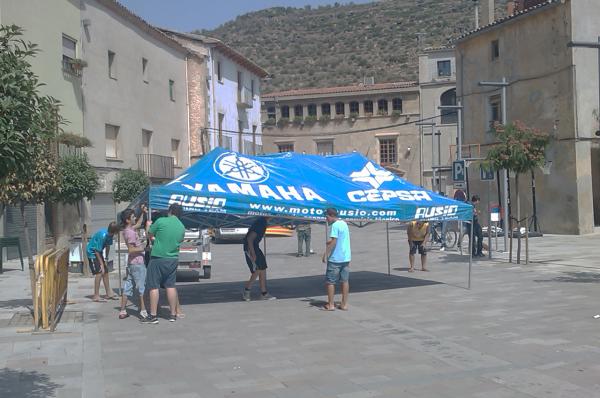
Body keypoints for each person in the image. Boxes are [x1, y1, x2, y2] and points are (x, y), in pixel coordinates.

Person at [141, 203, 185, 324]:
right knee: (170, 286)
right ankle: (172, 314)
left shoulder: (161, 221)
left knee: (153, 286)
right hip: (173, 259)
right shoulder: (181, 226)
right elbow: (180, 240)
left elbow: (149, 235)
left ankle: (153, 315)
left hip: (158, 257)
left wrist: (148, 226)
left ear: (170, 211)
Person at [118, 209, 148, 319]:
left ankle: (122, 310)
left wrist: (143, 212)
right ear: (127, 220)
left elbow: (139, 223)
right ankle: (143, 311)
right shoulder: (130, 233)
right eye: (132, 217)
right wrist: (143, 248)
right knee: (141, 288)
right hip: (137, 263)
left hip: (132, 263)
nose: (135, 218)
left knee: (128, 287)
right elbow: (131, 249)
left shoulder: (128, 230)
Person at [322, 208, 351, 311]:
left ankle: (331, 304)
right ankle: (344, 304)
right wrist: (330, 242)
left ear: (330, 216)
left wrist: (326, 254)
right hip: (345, 257)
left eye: (327, 217)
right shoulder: (344, 224)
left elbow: (334, 241)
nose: (326, 220)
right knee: (345, 280)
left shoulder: (334, 226)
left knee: (330, 282)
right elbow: (340, 239)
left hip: (335, 258)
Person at [242, 217, 276, 301]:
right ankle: (247, 291)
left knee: (263, 267)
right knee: (257, 269)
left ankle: (264, 293)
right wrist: (253, 253)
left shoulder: (263, 222)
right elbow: (249, 239)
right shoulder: (261, 223)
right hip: (250, 248)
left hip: (255, 246)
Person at [87, 222, 120, 302]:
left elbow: (108, 246)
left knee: (106, 272)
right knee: (100, 272)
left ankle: (109, 293)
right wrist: (101, 264)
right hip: (92, 253)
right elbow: (96, 251)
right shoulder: (103, 236)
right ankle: (96, 295)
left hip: (99, 252)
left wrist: (106, 258)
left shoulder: (110, 236)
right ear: (115, 231)